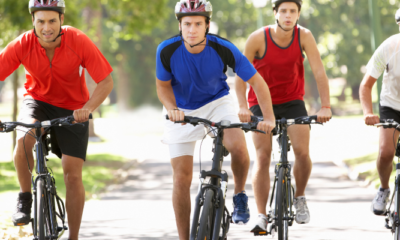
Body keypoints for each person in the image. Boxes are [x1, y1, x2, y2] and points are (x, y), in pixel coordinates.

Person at [156, 0, 276, 238]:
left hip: (217, 103)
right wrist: (171, 108)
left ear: (207, 25)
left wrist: (269, 118)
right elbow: (162, 86)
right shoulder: (166, 50)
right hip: (181, 108)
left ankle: (240, 194)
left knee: (239, 148)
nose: (192, 29)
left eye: (197, 24)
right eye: (187, 23)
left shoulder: (223, 48)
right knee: (181, 177)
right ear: (180, 25)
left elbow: (257, 82)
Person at [0, 0, 114, 239]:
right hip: (37, 102)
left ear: (62, 20)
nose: (46, 27)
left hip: (74, 109)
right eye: (40, 21)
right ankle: (24, 197)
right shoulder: (23, 44)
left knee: (72, 175)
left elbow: (105, 81)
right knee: (23, 140)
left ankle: (73, 237)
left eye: (52, 20)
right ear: (33, 21)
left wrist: (87, 108)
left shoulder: (78, 40)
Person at [235, 0, 332, 232]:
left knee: (302, 152)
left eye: (293, 11)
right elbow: (240, 76)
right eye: (284, 11)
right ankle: (261, 215)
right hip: (259, 103)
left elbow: (319, 71)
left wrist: (325, 106)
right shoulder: (258, 38)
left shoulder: (304, 36)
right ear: (275, 13)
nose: (288, 16)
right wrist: (242, 107)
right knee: (263, 155)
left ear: (298, 14)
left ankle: (299, 197)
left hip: (292, 102)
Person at [360, 8, 400, 216]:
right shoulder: (389, 46)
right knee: (386, 152)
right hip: (391, 105)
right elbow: (366, 85)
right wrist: (368, 112)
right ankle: (384, 189)